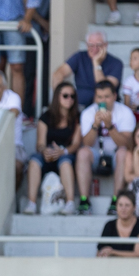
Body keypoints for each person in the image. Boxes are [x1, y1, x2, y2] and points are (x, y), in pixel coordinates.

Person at [77, 80, 136, 214]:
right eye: (100, 97)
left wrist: (110, 126)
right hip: (96, 154)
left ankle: (116, 200)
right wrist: (95, 125)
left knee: (123, 153)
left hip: (116, 155)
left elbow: (126, 144)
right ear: (95, 97)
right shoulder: (88, 113)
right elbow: (87, 143)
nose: (103, 100)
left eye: (107, 97)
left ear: (114, 96)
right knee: (82, 153)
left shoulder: (125, 112)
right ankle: (84, 201)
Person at [24, 82, 81, 215]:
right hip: (47, 155)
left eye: (72, 96)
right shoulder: (46, 117)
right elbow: (40, 144)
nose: (69, 99)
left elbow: (76, 143)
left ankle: (70, 203)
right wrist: (46, 151)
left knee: (65, 162)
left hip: (66, 154)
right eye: (65, 96)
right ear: (57, 97)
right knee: (34, 160)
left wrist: (63, 151)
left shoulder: (77, 117)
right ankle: (31, 203)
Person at [52, 30, 123, 108]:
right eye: (91, 45)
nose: (95, 49)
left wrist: (96, 63)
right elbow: (58, 74)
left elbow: (103, 88)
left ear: (105, 45)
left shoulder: (116, 63)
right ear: (86, 45)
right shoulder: (79, 56)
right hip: (79, 106)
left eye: (98, 45)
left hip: (105, 106)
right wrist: (61, 96)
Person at [97, 189, 139, 256]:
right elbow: (99, 252)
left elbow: (138, 255)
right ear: (116, 207)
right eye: (120, 205)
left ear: (134, 207)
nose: (123, 208)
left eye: (127, 205)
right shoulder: (109, 225)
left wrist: (113, 252)